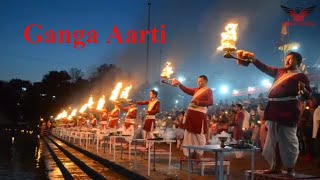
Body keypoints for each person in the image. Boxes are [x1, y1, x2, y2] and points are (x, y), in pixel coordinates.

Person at [236, 50, 311, 176]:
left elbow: (307, 96)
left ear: (298, 62)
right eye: (286, 58)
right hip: (273, 109)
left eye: (291, 59)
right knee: (273, 140)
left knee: (288, 141)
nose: (287, 61)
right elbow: (264, 68)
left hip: (289, 110)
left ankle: (290, 168)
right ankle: (275, 166)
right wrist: (253, 59)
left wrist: (303, 90)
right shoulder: (280, 72)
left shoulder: (301, 77)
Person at [172, 75, 213, 159]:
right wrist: (179, 84)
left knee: (199, 135)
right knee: (188, 134)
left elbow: (210, 102)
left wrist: (198, 102)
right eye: (198, 81)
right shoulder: (196, 90)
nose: (199, 83)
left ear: (205, 82)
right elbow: (186, 89)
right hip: (191, 114)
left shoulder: (208, 91)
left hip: (199, 115)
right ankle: (188, 154)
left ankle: (199, 154)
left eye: (201, 81)